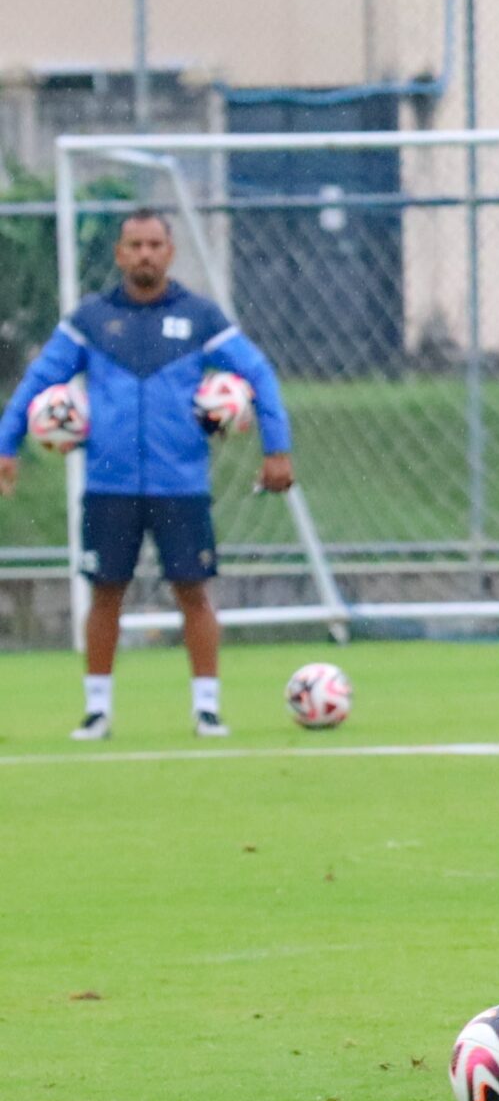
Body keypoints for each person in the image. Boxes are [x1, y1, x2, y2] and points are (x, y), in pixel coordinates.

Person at [0, 209, 293, 739]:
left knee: (194, 591)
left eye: (154, 244)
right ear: (119, 254)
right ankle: (97, 711)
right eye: (134, 245)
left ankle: (206, 709)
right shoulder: (90, 320)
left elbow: (257, 373)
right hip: (108, 484)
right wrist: (6, 443)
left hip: (180, 482)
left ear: (170, 252)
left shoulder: (200, 317)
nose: (144, 254)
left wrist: (278, 448)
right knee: (105, 592)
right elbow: (40, 380)